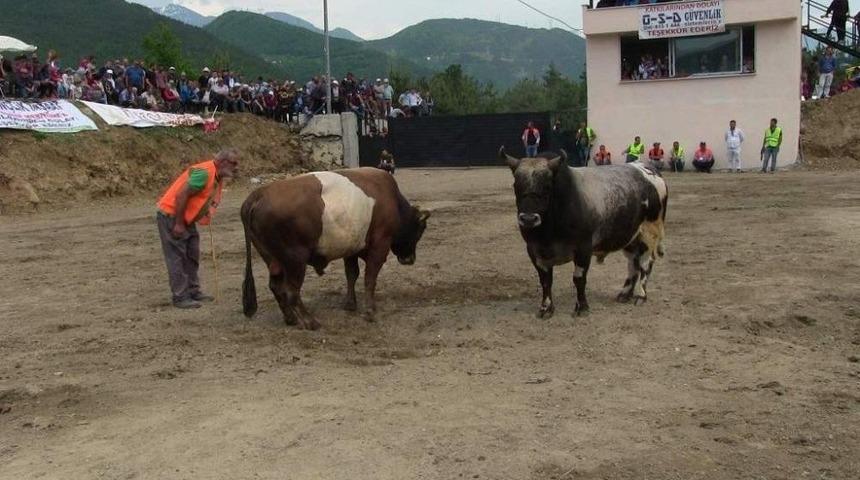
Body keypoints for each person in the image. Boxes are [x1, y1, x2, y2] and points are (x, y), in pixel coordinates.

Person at [156, 149, 240, 309]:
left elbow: (202, 197)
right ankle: (180, 296)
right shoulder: (204, 173)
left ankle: (193, 291)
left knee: (192, 253)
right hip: (172, 215)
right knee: (177, 256)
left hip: (186, 218)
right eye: (234, 163)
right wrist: (179, 224)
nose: (236, 167)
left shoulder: (217, 175)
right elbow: (181, 196)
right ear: (223, 162)